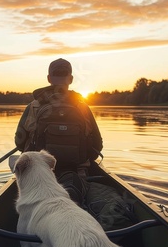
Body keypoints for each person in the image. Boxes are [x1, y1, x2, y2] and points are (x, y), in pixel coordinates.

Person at [14, 58, 103, 204]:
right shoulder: (82, 107)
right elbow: (97, 146)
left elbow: (19, 143)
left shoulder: (34, 106)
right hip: (78, 172)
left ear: (49, 79)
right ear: (71, 79)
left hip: (41, 173)